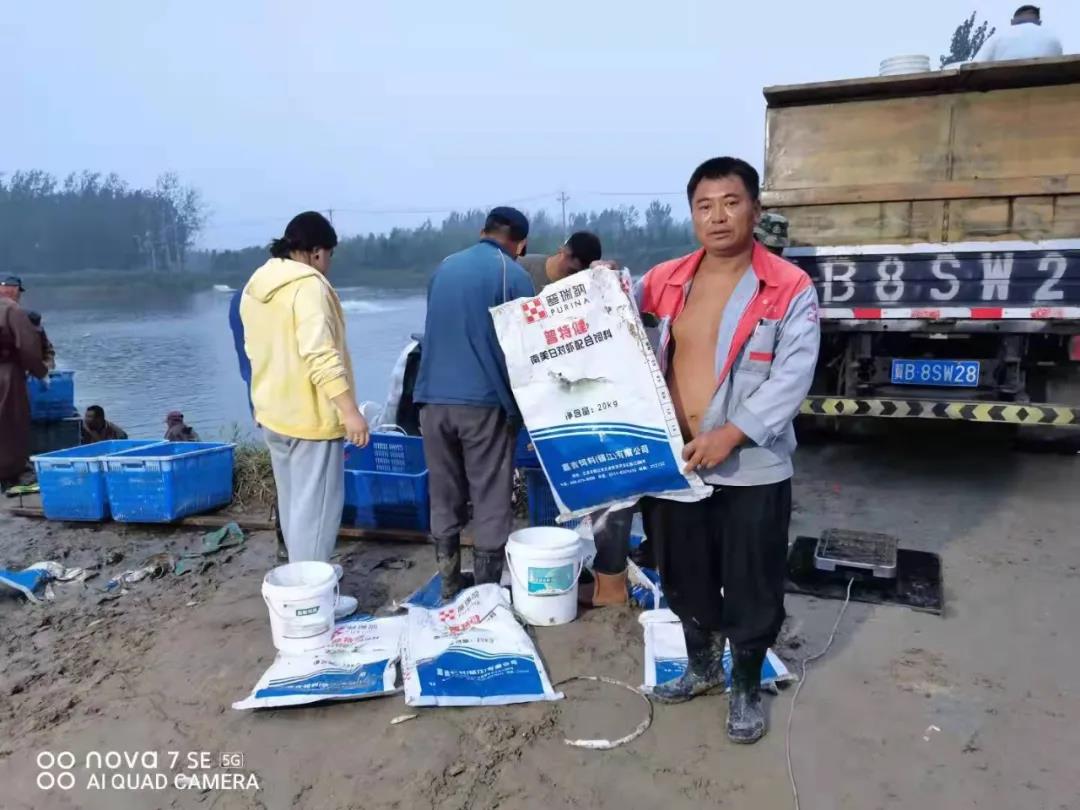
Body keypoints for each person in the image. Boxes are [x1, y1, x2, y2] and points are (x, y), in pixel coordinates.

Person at [635, 157, 820, 744]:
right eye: (704, 205)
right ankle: (702, 667)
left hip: (752, 467)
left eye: (731, 202)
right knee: (683, 574)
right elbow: (612, 335)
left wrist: (731, 433)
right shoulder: (661, 280)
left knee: (753, 581)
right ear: (692, 215)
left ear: (755, 210)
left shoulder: (788, 287)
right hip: (676, 465)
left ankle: (744, 685)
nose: (717, 216)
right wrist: (597, 286)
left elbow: (792, 377)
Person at [240, 212, 369, 618]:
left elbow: (254, 349)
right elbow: (320, 354)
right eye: (328, 255)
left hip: (273, 413)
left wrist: (260, 400)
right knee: (316, 515)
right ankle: (311, 603)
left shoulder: (258, 283)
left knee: (296, 506)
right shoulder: (309, 287)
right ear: (315, 252)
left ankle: (302, 582)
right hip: (310, 418)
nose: (328, 264)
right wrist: (349, 411)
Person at [415, 206, 535, 600]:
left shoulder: (444, 268)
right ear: (520, 244)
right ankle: (485, 595)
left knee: (444, 492)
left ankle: (449, 583)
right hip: (483, 403)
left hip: (431, 399)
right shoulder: (512, 275)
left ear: (483, 232)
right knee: (490, 496)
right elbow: (525, 347)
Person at [0, 276, 47, 489]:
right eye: (18, 290)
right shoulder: (12, 310)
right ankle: (11, 472)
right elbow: (28, 348)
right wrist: (41, 372)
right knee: (12, 422)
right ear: (13, 290)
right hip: (7, 373)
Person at [518, 231, 603, 295]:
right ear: (563, 250)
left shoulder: (581, 288)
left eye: (580, 274)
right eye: (572, 271)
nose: (574, 277)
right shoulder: (520, 267)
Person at [976, 5, 1063, 62]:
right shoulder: (1052, 37)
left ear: (1013, 21)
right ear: (1039, 21)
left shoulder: (999, 37)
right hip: (1045, 82)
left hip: (1004, 82)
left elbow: (980, 63)